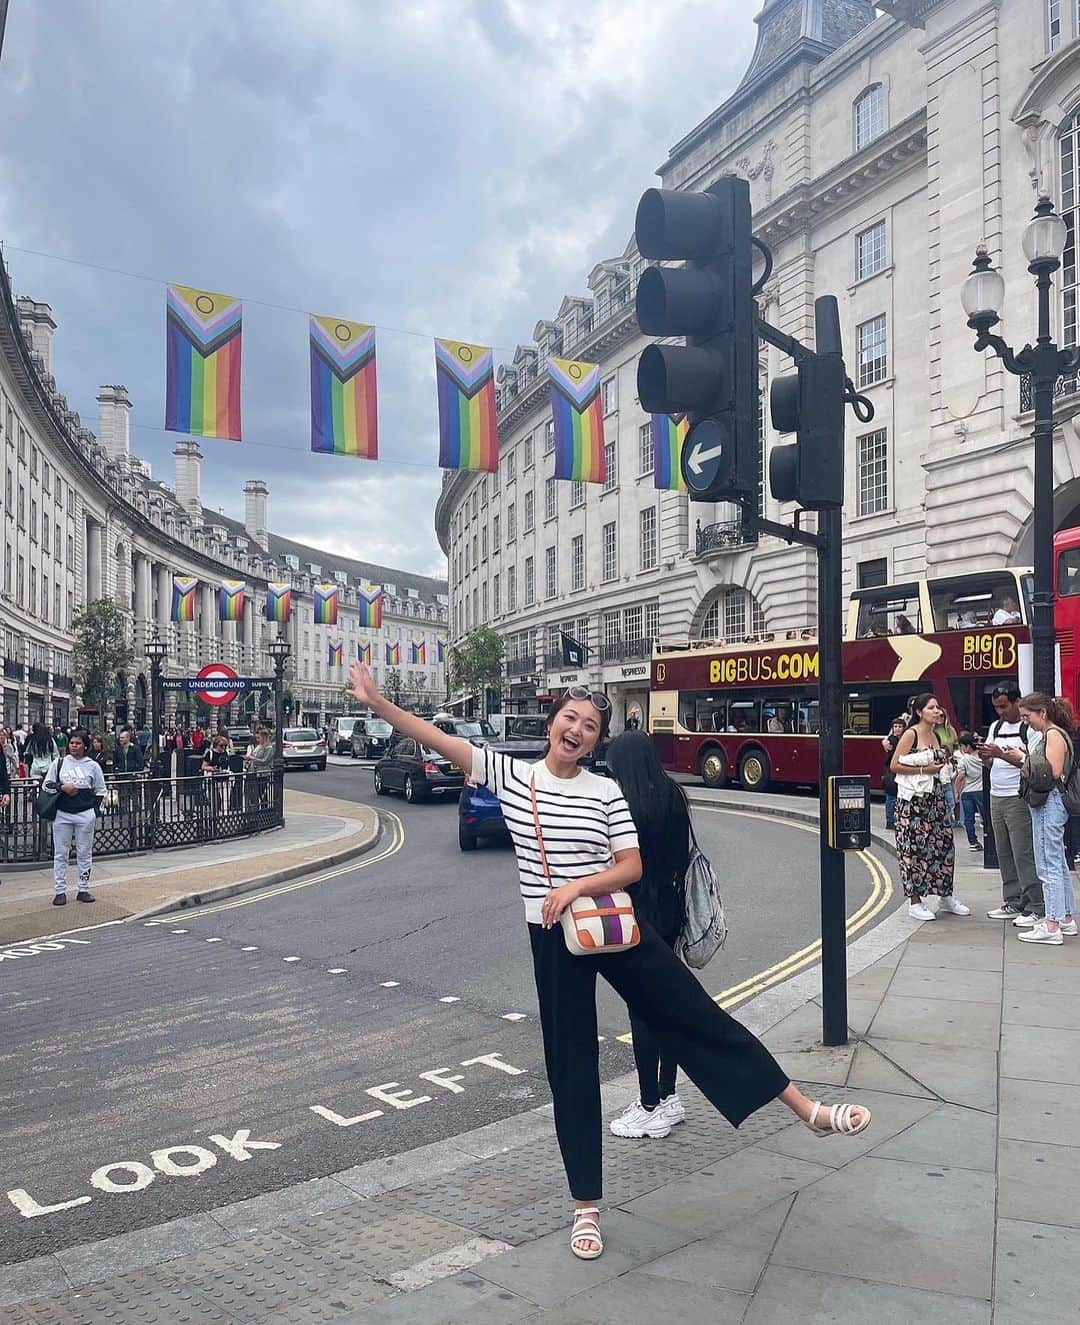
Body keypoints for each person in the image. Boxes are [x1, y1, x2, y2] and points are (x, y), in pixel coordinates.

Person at [345, 660, 871, 1261]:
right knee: (571, 1064)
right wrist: (379, 704)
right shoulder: (512, 777)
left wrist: (575, 887)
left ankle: (808, 1110)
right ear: (552, 725)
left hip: (614, 923)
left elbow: (631, 866)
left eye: (591, 725)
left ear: (597, 739)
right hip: (552, 938)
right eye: (570, 718)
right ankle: (585, 1209)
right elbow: (439, 738)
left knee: (694, 1012)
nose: (578, 729)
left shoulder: (604, 789)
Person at [605, 730, 691, 1140]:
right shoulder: (673, 795)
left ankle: (649, 1104)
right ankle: (669, 1095)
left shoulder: (625, 806)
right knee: (668, 1002)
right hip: (672, 907)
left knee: (642, 1008)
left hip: (637, 911)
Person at [890, 694, 970, 922]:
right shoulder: (910, 734)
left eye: (938, 708)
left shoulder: (935, 735)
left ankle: (945, 895)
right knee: (913, 850)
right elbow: (895, 764)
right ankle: (915, 901)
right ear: (919, 712)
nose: (937, 711)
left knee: (943, 846)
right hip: (912, 803)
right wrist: (925, 771)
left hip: (934, 798)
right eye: (932, 708)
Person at [979, 684, 1045, 925]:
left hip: (1019, 797)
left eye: (1004, 706)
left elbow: (1035, 765)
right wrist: (986, 757)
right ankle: (1013, 900)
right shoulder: (996, 727)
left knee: (1023, 853)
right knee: (1004, 852)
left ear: (1017, 702)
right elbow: (990, 763)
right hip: (996, 795)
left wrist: (1001, 755)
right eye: (996, 707)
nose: (1000, 712)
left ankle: (1036, 904)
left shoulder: (1030, 729)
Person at [1016, 693, 1078, 946]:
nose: (1025, 722)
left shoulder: (1053, 735)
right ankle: (1065, 918)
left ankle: (1051, 924)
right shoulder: (1057, 734)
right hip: (1053, 803)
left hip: (1049, 802)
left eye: (1027, 716)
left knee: (1047, 862)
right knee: (1058, 862)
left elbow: (1050, 772)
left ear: (1042, 712)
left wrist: (1023, 759)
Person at [42, 729, 106, 906]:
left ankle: (83, 888)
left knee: (84, 853)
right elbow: (46, 785)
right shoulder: (59, 763)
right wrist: (62, 787)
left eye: (78, 743)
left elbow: (101, 790)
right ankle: (60, 890)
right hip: (62, 814)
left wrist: (94, 812)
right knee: (60, 853)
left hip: (84, 815)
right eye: (72, 743)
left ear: (85, 745)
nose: (74, 746)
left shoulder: (93, 766)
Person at [954, 732, 985, 852]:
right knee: (985, 817)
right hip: (981, 791)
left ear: (967, 746)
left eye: (961, 746)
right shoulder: (982, 758)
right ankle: (990, 840)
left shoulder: (964, 760)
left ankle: (973, 842)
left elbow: (960, 777)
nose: (961, 749)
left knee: (968, 819)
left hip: (967, 792)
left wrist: (957, 791)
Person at [881, 716, 906, 830]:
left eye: (900, 726)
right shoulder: (891, 740)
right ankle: (890, 821)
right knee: (891, 797)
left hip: (899, 771)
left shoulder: (903, 739)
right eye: (895, 726)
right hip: (891, 772)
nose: (897, 729)